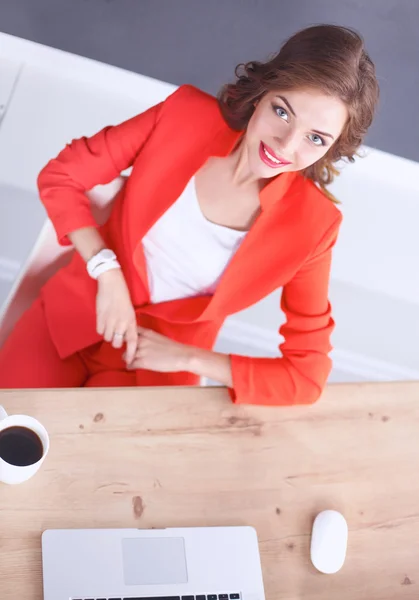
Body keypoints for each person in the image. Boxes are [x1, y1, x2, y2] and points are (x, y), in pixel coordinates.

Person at [0, 24, 379, 405]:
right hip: (74, 314)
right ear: (262, 93)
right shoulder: (183, 116)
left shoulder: (314, 227)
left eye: (316, 138)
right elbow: (62, 176)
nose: (286, 144)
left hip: (155, 372)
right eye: (282, 111)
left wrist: (191, 359)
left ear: (332, 148)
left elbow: (305, 378)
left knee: (94, 463)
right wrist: (106, 269)